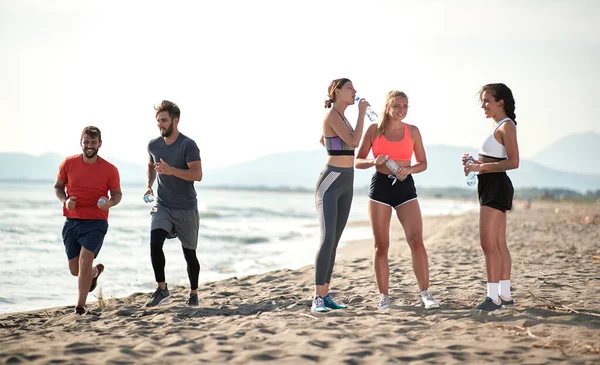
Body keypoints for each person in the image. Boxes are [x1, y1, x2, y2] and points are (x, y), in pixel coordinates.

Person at [355, 90, 440, 310]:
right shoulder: (374, 130)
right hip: (381, 187)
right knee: (381, 245)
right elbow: (358, 161)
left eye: (405, 106)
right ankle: (384, 296)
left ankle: (426, 293)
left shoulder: (412, 131)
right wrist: (374, 161)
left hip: (405, 186)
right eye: (396, 106)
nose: (401, 110)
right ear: (387, 107)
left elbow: (423, 163)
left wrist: (409, 169)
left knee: (416, 241)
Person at [312, 78, 369, 313]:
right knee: (327, 239)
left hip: (347, 179)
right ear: (336, 92)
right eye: (349, 88)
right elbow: (355, 141)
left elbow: (322, 139)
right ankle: (317, 298)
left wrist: (330, 140)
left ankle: (325, 296)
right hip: (332, 180)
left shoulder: (341, 118)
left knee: (334, 240)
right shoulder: (333, 114)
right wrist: (363, 113)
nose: (354, 91)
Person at [462, 83, 519, 312]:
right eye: (482, 101)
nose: (483, 106)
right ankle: (504, 296)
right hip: (491, 184)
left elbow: (513, 162)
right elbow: (491, 160)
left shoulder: (507, 126)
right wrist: (474, 164)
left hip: (496, 185)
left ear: (500, 102)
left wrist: (481, 167)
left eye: (487, 100)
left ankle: (492, 298)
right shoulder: (496, 126)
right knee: (497, 243)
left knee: (488, 243)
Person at [53, 126, 122, 315]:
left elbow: (117, 194)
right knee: (76, 270)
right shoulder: (68, 163)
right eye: (86, 142)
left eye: (93, 142)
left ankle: (80, 307)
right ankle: (94, 272)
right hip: (72, 222)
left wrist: (109, 203)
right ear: (81, 142)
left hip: (96, 222)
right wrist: (65, 201)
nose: (90, 146)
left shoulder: (110, 169)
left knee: (84, 260)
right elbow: (58, 187)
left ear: (100, 143)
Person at [145, 100, 203, 307]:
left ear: (175, 121)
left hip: (186, 207)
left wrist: (172, 171)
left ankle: (193, 292)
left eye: (164, 120)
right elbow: (151, 165)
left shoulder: (188, 145)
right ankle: (162, 289)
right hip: (163, 205)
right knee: (154, 243)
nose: (160, 124)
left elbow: (197, 174)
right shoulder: (153, 145)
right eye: (158, 120)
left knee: (190, 254)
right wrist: (149, 185)